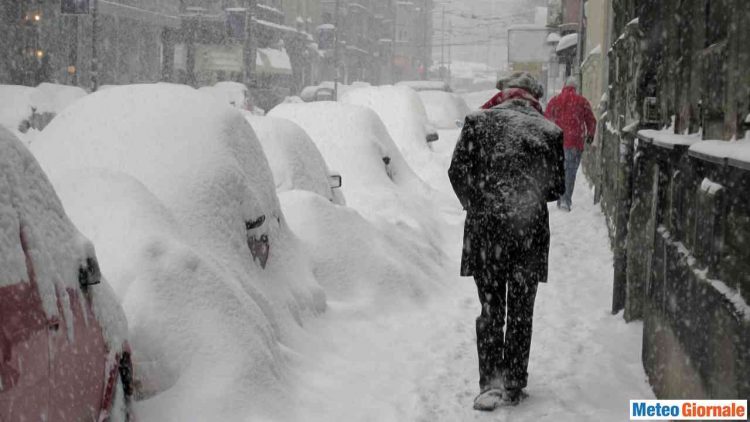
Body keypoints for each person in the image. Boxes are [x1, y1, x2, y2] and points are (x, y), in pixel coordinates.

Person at [448, 72, 565, 411]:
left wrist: (480, 204)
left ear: (503, 93)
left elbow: (457, 172)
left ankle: (489, 383)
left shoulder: (476, 123)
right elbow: (557, 188)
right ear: (533, 96)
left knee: (490, 308)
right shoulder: (548, 131)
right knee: (521, 310)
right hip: (528, 237)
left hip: (485, 235)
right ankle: (514, 382)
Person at [544, 76, 597, 211]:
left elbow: (546, 119)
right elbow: (591, 120)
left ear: (564, 86)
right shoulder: (582, 101)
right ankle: (565, 200)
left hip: (557, 141)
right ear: (575, 88)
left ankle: (560, 198)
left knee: (559, 170)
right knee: (570, 172)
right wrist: (590, 135)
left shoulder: (555, 101)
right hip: (575, 142)